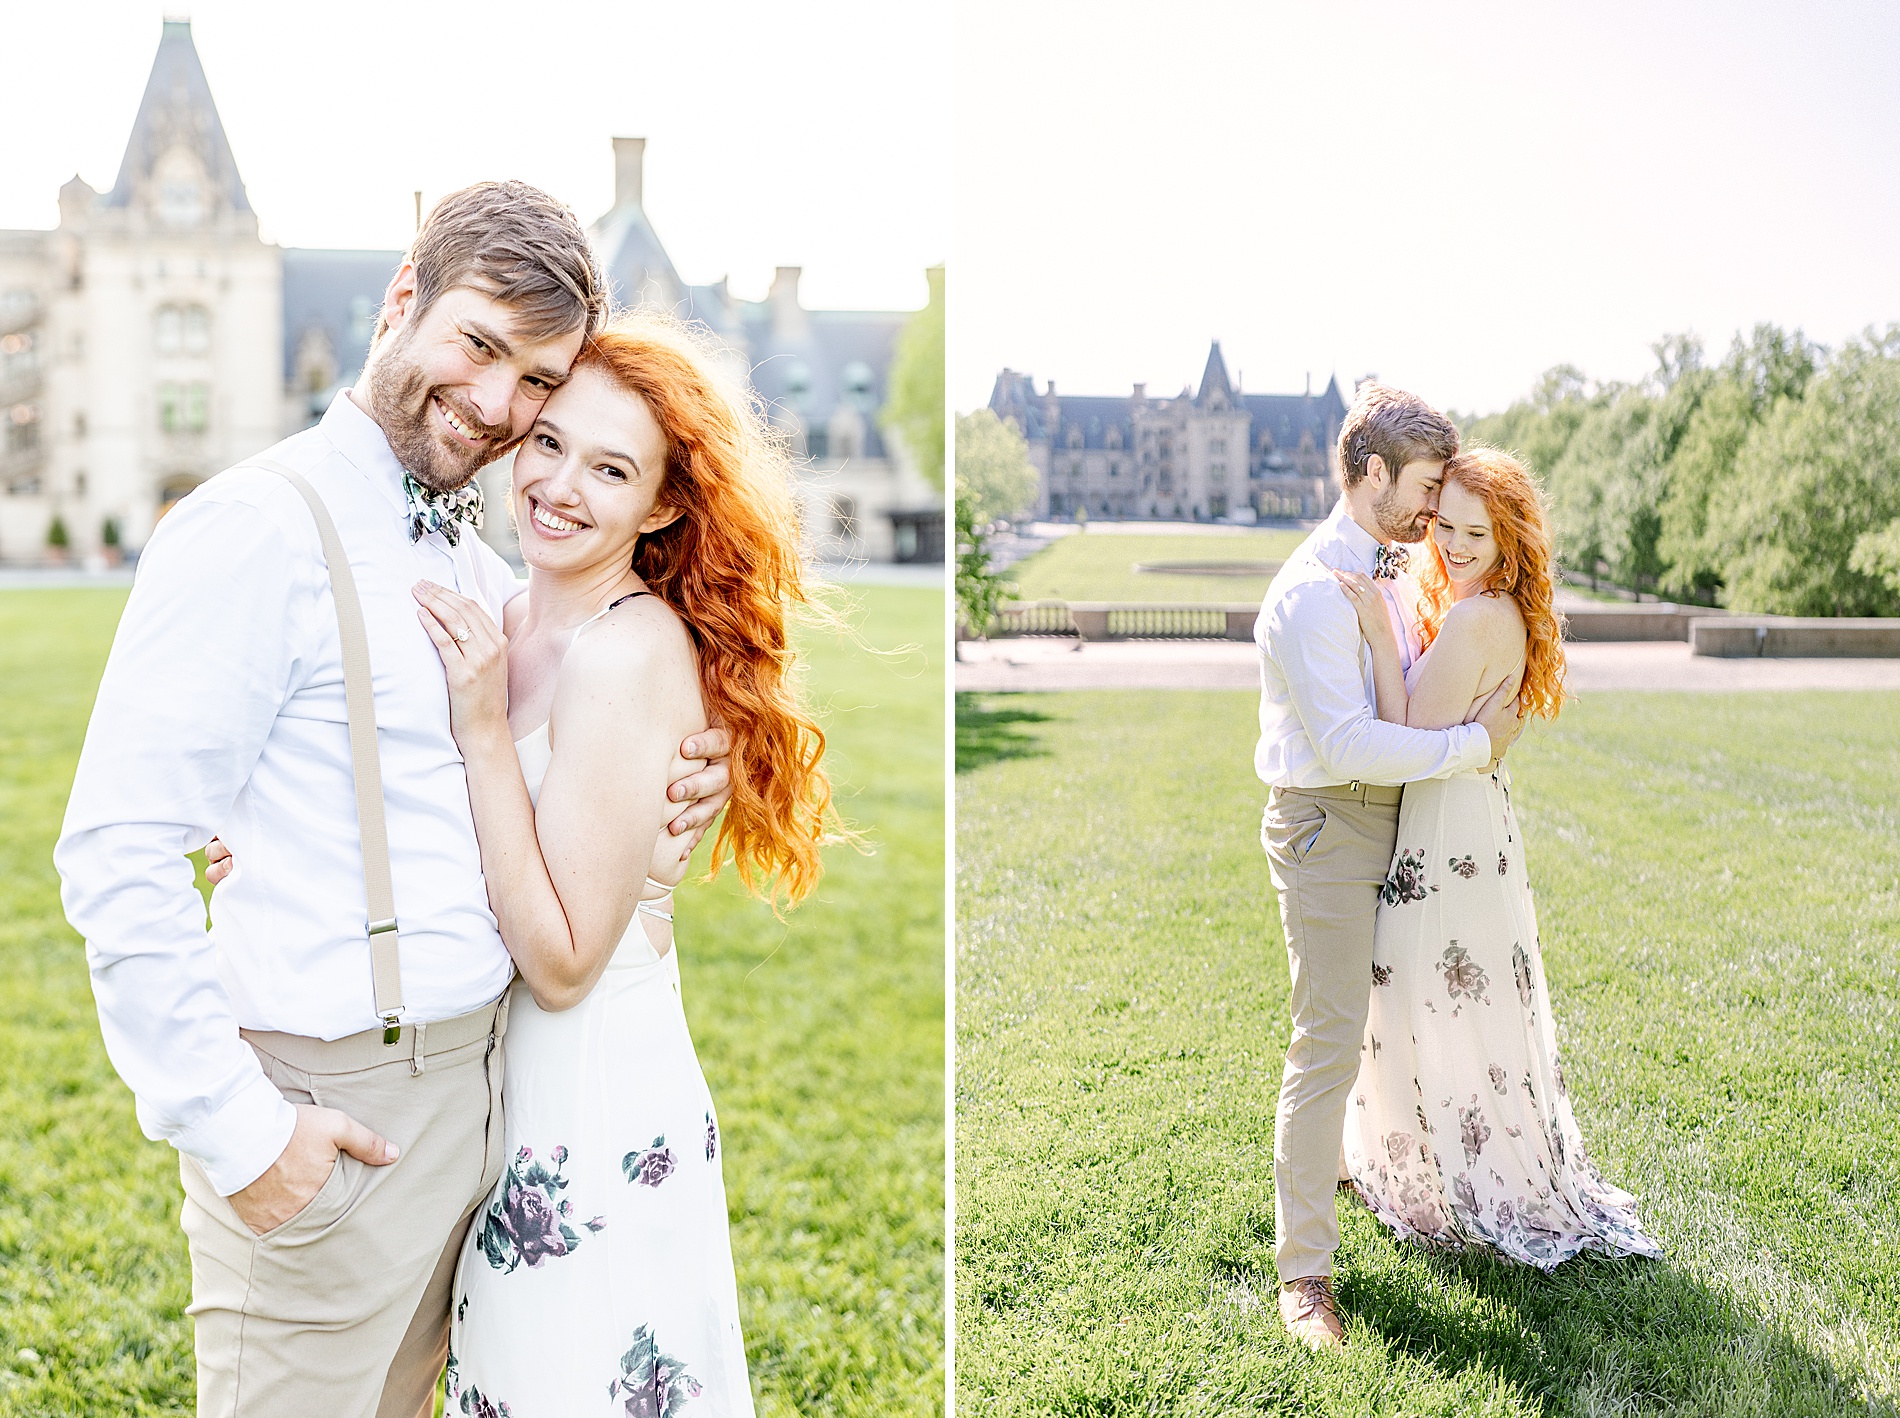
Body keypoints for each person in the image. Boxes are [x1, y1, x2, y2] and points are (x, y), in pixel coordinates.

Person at [56, 182, 735, 1416]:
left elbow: (552, 740)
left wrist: (679, 793)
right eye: (478, 345)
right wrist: (241, 1133)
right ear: (400, 302)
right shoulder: (254, 528)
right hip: (334, 1115)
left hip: (487, 1112)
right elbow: (118, 849)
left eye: (536, 379)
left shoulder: (479, 562)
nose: (496, 403)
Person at [414, 310, 837, 1416]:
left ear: (659, 504)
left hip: (590, 1091)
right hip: (501, 1085)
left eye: (610, 467)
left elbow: (561, 963)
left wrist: (485, 732)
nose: (558, 484)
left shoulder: (628, 651)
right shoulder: (503, 615)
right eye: (548, 441)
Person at [1332, 446, 1664, 1270]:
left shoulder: (1481, 617)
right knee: (1460, 993)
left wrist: (1378, 633)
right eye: (1443, 525)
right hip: (1472, 817)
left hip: (1447, 828)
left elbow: (1405, 728)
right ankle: (1444, 1152)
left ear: (1507, 535)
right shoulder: (1494, 606)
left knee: (1423, 987)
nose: (1450, 544)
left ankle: (1448, 1170)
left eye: (1473, 531)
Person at [1253, 384, 1522, 1350]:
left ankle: (1386, 1178)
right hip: (1331, 824)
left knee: (1397, 1030)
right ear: (1369, 474)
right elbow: (1354, 742)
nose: (1429, 514)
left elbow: (1409, 684)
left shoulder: (1399, 569)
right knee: (1327, 1040)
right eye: (1419, 490)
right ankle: (1304, 1278)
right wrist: (1469, 749)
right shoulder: (1309, 593)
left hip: (1402, 823)